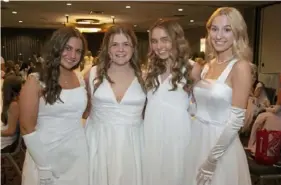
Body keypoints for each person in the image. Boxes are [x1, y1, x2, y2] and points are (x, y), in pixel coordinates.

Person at [186, 7, 252, 185]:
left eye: (227, 29)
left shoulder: (240, 67)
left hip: (221, 147)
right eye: (214, 29)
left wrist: (212, 160)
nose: (219, 35)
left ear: (237, 33)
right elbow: (196, 107)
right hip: (197, 140)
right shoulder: (208, 65)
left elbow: (236, 119)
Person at [20, 26, 89, 185]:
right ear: (57, 48)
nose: (73, 56)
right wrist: (43, 166)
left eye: (78, 51)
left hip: (77, 155)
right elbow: (26, 128)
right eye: (68, 48)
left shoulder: (79, 78)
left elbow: (83, 114)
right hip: (45, 155)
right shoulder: (35, 80)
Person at [84, 24, 146, 185]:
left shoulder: (145, 77)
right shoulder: (92, 74)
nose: (121, 49)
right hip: (98, 143)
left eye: (126, 44)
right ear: (107, 48)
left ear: (133, 48)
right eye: (115, 44)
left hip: (134, 144)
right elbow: (84, 111)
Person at [142, 19, 193, 185]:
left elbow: (198, 108)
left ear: (176, 39)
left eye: (165, 40)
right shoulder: (150, 70)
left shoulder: (192, 70)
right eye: (154, 41)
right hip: (150, 135)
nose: (159, 46)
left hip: (177, 138)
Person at [1, 75, 22, 151]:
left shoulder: (14, 105)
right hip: (7, 137)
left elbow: (11, 131)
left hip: (8, 142)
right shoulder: (13, 102)